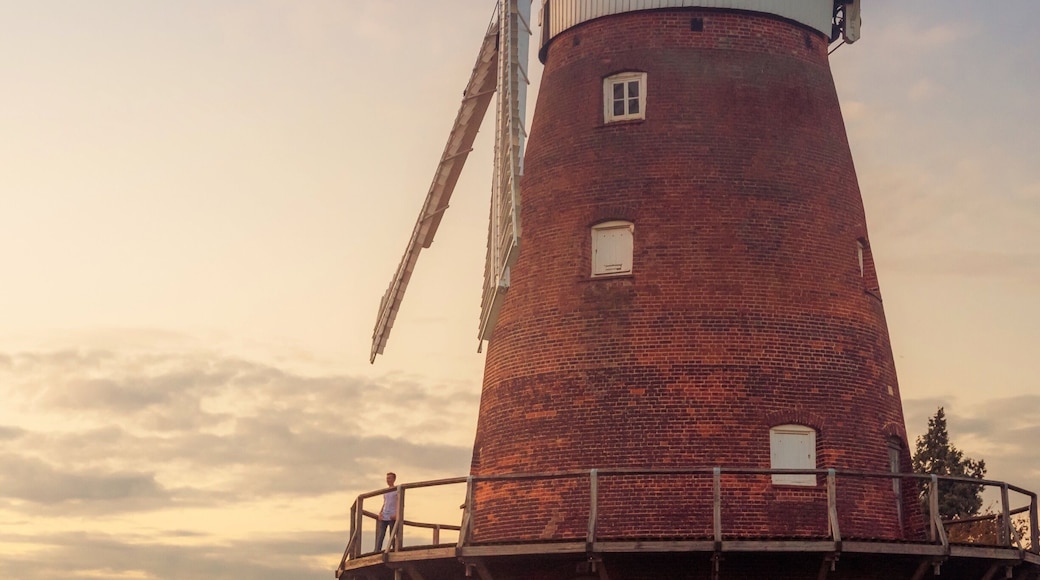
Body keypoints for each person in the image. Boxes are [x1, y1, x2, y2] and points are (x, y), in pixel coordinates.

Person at [374, 472, 398, 551]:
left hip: (392, 515)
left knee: (392, 534)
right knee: (381, 534)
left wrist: (397, 514)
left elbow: (399, 502)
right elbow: (385, 503)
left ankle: (394, 549)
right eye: (387, 478)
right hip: (385, 514)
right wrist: (380, 513)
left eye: (390, 478)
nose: (388, 480)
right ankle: (377, 550)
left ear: (394, 479)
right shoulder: (386, 491)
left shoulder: (397, 490)